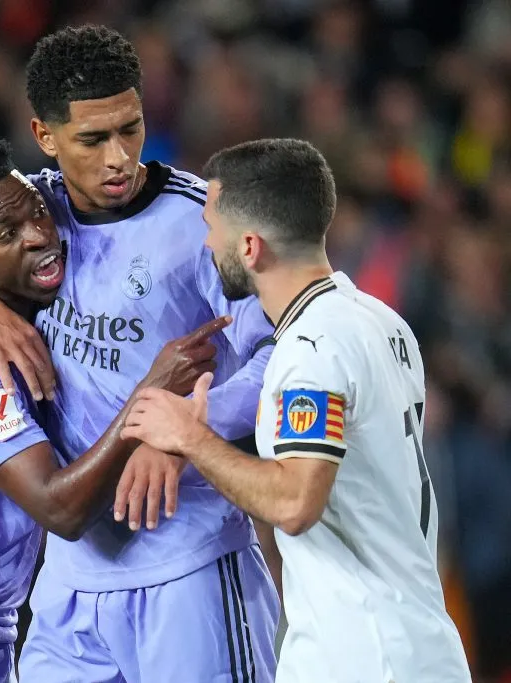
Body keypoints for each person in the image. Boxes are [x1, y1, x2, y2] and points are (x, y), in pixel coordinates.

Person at [0, 24, 280, 682]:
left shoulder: (202, 224)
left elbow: (279, 355)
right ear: (45, 136)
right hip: (70, 584)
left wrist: (183, 428)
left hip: (187, 562)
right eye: (93, 139)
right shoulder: (25, 210)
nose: (119, 158)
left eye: (130, 129)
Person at [120, 138, 472, 683]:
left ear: (251, 247)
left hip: (364, 655)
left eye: (211, 227)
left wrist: (189, 436)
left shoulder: (311, 347)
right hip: (415, 642)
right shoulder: (381, 321)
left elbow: (295, 501)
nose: (206, 243)